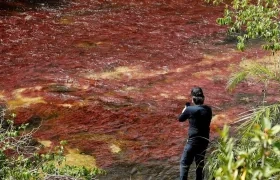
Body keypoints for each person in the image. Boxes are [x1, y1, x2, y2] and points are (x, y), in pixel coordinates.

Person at [178, 87, 212, 180]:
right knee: (199, 165)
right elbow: (197, 115)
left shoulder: (190, 110)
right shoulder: (208, 109)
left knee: (184, 164)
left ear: (193, 99)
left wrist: (185, 110)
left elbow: (180, 119)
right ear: (203, 98)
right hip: (204, 142)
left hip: (192, 142)